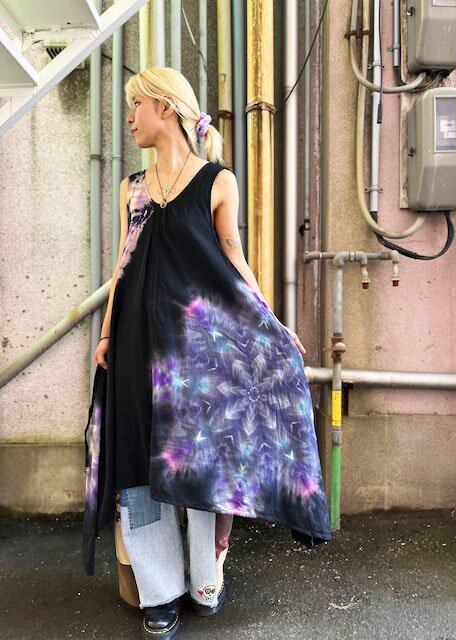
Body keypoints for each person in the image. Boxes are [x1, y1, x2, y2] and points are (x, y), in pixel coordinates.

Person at [82, 66, 332, 640]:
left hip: (197, 353)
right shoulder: (132, 189)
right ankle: (159, 591)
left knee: (199, 457)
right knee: (138, 463)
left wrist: (271, 321)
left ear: (165, 107)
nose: (129, 118)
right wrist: (107, 333)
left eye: (136, 106)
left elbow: (234, 259)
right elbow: (122, 266)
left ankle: (204, 580)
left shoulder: (219, 181)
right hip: (136, 344)